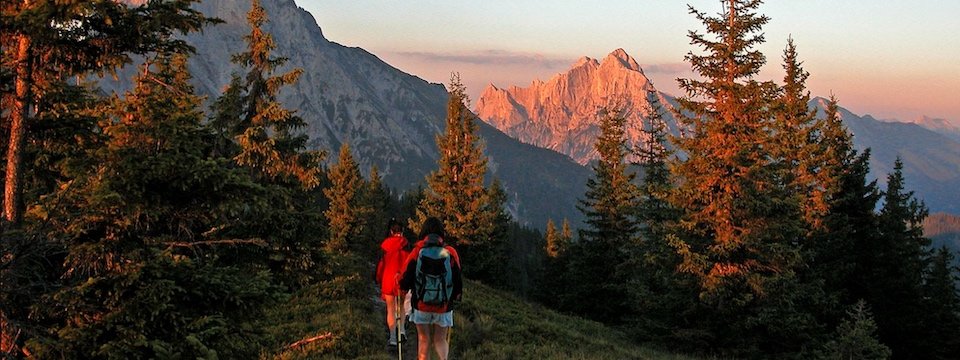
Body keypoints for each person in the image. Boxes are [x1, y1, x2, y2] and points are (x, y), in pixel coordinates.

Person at [400, 217, 462, 360]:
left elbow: (406, 277)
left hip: (421, 304)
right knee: (440, 340)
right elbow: (457, 278)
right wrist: (456, 295)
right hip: (443, 306)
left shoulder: (417, 251)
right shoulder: (450, 252)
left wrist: (403, 288)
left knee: (424, 340)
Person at [375, 219, 410, 346]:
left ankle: (393, 338)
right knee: (401, 307)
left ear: (391, 231)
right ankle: (402, 331)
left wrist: (378, 278)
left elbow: (381, 265)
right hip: (402, 279)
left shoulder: (385, 246)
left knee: (390, 309)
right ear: (402, 231)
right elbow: (409, 263)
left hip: (388, 280)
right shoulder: (406, 244)